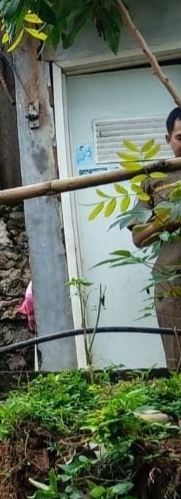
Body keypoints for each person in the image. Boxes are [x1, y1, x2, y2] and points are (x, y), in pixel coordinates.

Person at [131, 107, 181, 370]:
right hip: (170, 280)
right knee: (177, 355)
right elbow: (138, 237)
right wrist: (167, 221)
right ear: (168, 139)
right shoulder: (153, 179)